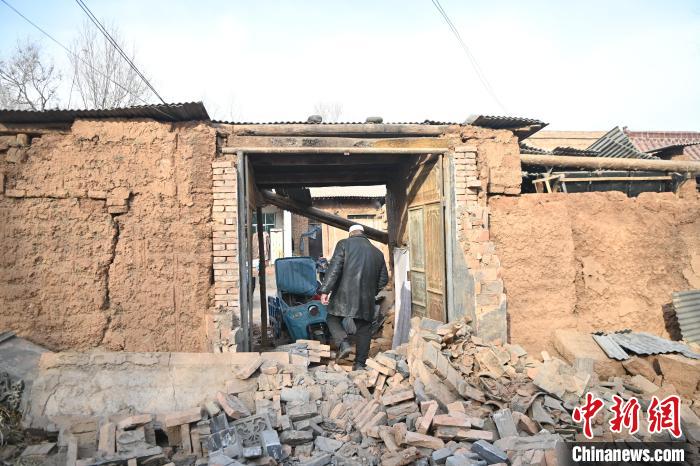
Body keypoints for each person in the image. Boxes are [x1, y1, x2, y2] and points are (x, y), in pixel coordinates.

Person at [319, 224, 389, 370]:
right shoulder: (377, 252)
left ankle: (343, 343)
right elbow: (383, 279)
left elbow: (334, 269)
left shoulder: (344, 244)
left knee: (332, 318)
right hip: (366, 299)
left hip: (342, 295)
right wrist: (371, 292)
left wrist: (325, 290)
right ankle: (359, 365)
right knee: (364, 329)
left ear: (351, 234)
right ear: (363, 234)